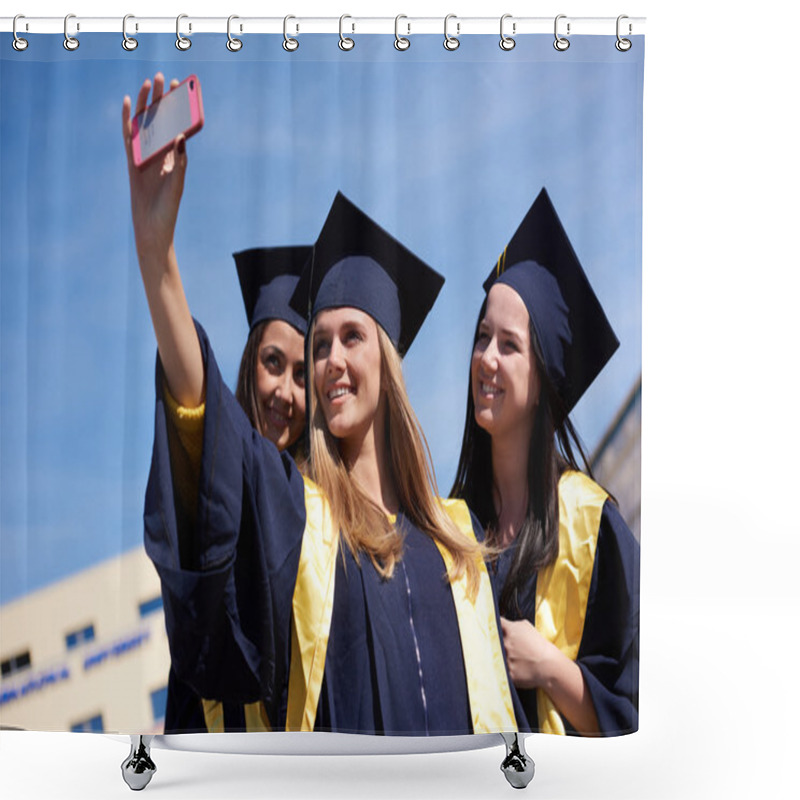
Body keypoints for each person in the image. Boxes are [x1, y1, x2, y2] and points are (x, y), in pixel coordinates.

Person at [123, 74, 520, 735]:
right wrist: (156, 257)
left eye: (352, 338)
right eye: (320, 344)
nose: (331, 359)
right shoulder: (302, 524)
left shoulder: (460, 548)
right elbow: (212, 423)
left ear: (387, 367)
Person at [451, 188, 639, 736]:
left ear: (544, 379)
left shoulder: (592, 525)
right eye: (482, 337)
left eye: (508, 345)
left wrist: (551, 669)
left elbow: (632, 716)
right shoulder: (452, 523)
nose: (485, 358)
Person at [164, 244, 311, 733]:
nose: (284, 393)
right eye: (274, 363)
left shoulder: (322, 510)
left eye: (302, 375)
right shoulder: (219, 477)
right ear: (250, 363)